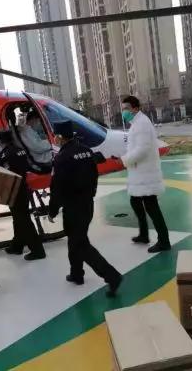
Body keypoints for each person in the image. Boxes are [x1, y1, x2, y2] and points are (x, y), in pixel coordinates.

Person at [48, 121, 122, 297]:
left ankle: (112, 276)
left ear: (60, 137)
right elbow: (94, 175)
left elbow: (57, 187)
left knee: (80, 244)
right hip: (87, 204)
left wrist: (52, 210)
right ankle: (76, 273)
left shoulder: (62, 158)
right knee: (76, 239)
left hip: (72, 207)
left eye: (55, 135)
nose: (54, 138)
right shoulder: (87, 151)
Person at [119, 95, 171, 253]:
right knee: (135, 201)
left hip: (146, 173)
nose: (124, 111)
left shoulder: (142, 124)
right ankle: (143, 234)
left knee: (151, 207)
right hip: (139, 173)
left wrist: (126, 160)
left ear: (135, 108)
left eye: (126, 108)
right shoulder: (136, 123)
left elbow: (143, 149)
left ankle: (164, 241)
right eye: (123, 108)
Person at [0, 130, 46, 261]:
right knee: (18, 218)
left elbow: (4, 173)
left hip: (14, 190)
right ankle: (17, 246)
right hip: (23, 188)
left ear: (1, 141)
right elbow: (29, 166)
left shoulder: (6, 154)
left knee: (23, 220)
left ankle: (37, 250)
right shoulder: (20, 150)